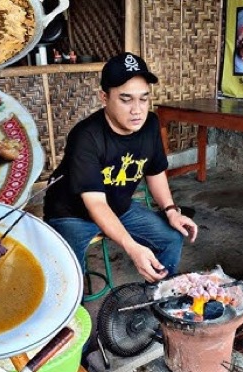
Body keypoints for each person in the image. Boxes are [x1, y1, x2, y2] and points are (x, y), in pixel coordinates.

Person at [44, 52, 198, 283]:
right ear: (104, 98)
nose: (137, 110)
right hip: (72, 214)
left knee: (171, 237)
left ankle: (158, 298)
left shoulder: (150, 124)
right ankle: (72, 317)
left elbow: (155, 172)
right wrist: (132, 247)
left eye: (144, 98)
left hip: (118, 206)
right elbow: (95, 203)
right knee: (69, 277)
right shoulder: (86, 136)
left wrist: (171, 210)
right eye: (126, 99)